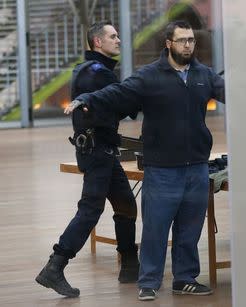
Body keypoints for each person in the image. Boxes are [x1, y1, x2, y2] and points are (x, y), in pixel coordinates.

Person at [64, 20, 225, 301]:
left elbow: (232, 93)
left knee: (190, 229)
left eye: (191, 40)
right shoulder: (150, 76)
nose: (188, 45)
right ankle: (148, 280)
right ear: (168, 43)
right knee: (156, 228)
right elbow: (117, 93)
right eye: (182, 40)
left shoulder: (204, 75)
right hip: (162, 168)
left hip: (197, 166)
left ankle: (185, 278)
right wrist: (87, 97)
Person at [35, 21, 139, 298]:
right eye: (113, 36)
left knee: (126, 205)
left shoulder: (84, 69)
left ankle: (130, 266)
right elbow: (128, 107)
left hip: (97, 149)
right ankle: (55, 267)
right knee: (90, 209)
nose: (119, 40)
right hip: (98, 151)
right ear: (97, 42)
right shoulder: (100, 74)